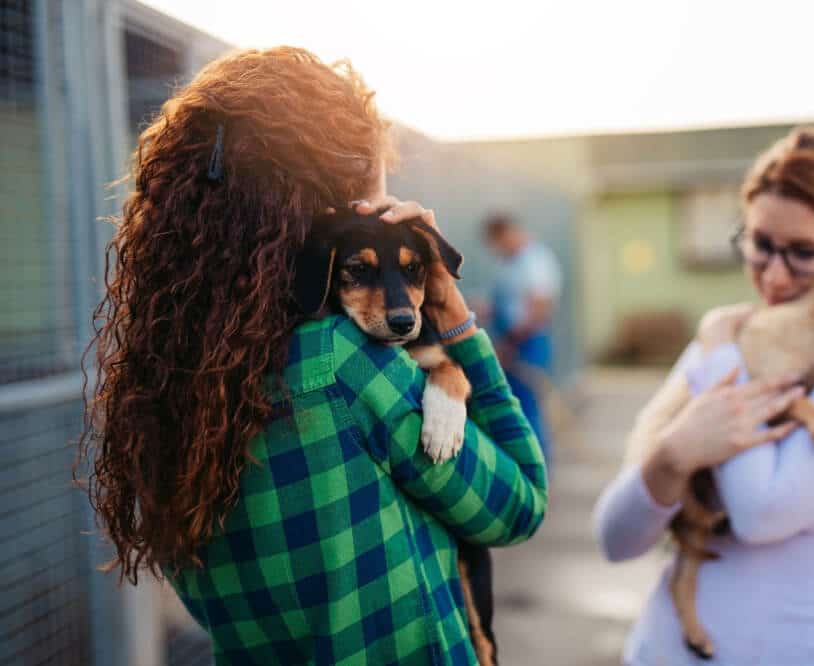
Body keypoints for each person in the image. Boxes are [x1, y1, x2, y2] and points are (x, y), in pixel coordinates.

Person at [78, 47, 547, 665]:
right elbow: (518, 505)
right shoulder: (346, 363)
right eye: (376, 183)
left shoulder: (166, 383)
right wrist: (452, 313)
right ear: (334, 204)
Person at [593, 127, 814, 665]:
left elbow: (763, 512)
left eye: (804, 253)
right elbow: (615, 540)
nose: (775, 275)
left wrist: (719, 353)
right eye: (760, 244)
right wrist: (672, 455)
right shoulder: (742, 337)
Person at [482, 212, 563, 464]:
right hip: (513, 342)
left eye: (498, 241)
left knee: (528, 410)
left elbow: (539, 307)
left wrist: (509, 344)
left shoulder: (535, 260)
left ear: (509, 233)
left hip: (527, 345)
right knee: (515, 407)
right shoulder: (509, 263)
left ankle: (538, 470)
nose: (497, 248)